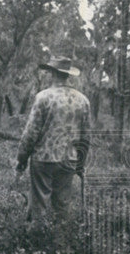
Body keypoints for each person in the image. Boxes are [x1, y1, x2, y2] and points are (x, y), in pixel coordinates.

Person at [15, 56, 91, 237]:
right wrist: (81, 164)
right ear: (67, 75)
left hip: (44, 158)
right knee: (62, 206)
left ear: (52, 73)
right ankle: (60, 245)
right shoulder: (83, 100)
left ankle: (37, 246)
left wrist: (21, 159)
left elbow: (31, 133)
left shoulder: (43, 98)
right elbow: (85, 137)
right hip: (69, 160)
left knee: (38, 205)